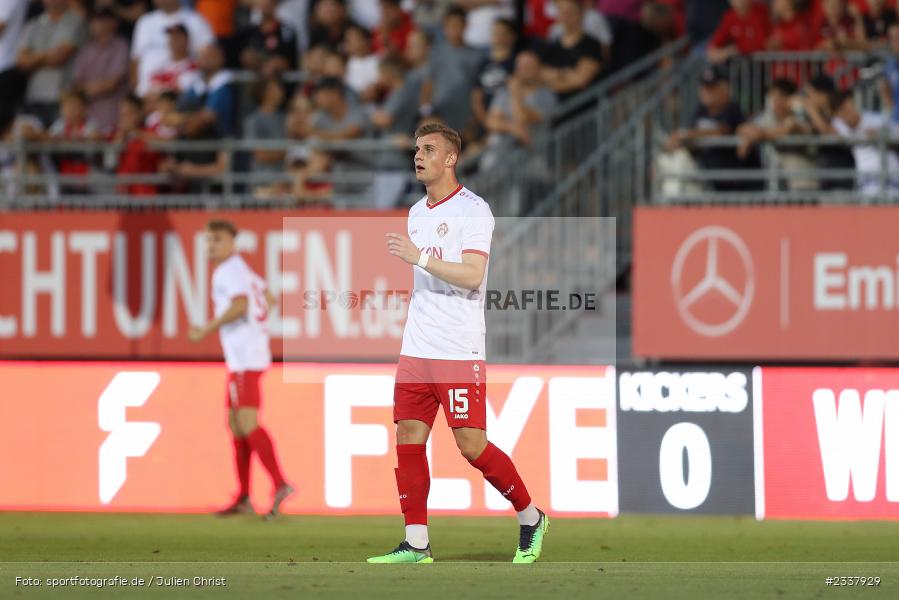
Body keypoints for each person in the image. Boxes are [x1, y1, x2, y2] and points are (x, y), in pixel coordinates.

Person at [367, 122, 549, 565]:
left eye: (429, 149)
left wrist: (421, 257)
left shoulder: (474, 210)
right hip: (417, 347)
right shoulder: (415, 212)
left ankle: (531, 517)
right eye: (416, 148)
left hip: (457, 348)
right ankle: (416, 543)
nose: (419, 155)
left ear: (450, 159)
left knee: (471, 445)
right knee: (408, 436)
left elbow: (472, 276)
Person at [188, 219, 294, 520]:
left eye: (217, 240)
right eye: (208, 241)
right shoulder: (243, 270)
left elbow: (239, 305)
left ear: (232, 243)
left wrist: (205, 330)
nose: (211, 246)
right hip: (247, 356)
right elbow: (267, 298)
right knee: (236, 423)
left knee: (247, 422)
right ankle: (245, 497)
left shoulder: (227, 271)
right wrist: (256, 331)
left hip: (245, 358)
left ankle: (280, 483)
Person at [16, 0, 87, 127]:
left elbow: (59, 58)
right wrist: (47, 54)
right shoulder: (34, 24)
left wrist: (33, 58)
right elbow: (21, 62)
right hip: (34, 95)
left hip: (63, 96)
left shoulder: (76, 21)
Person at [130, 0, 213, 97]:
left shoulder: (196, 20)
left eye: (178, 37)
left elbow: (210, 57)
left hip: (182, 93)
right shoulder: (145, 21)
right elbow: (135, 59)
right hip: (146, 92)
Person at [71, 8, 129, 134]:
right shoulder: (86, 48)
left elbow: (113, 83)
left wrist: (86, 90)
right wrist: (90, 88)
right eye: (95, 19)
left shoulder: (120, 45)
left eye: (102, 19)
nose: (97, 23)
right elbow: (76, 84)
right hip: (88, 116)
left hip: (112, 114)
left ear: (113, 22)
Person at [831, 90, 899, 196]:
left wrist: (882, 136)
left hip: (892, 179)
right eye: (845, 109)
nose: (851, 111)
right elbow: (835, 134)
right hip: (868, 182)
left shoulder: (875, 119)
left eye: (851, 106)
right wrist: (867, 137)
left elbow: (896, 133)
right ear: (839, 113)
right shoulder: (839, 124)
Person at [539, 0, 603, 102]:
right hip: (554, 106)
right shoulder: (552, 44)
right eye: (562, 11)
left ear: (580, 13)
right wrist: (568, 74)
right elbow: (540, 75)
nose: (565, 16)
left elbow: (581, 79)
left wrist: (557, 75)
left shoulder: (591, 45)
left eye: (569, 11)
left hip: (582, 105)